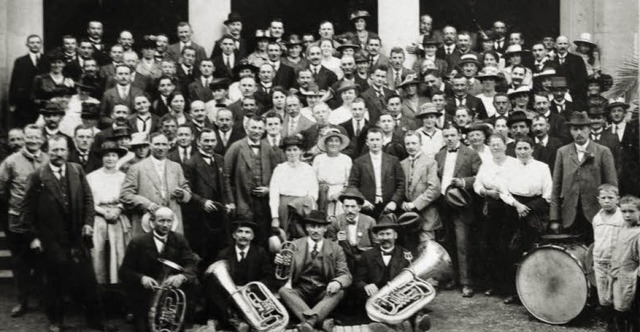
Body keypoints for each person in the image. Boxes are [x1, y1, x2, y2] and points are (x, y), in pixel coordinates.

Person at [22, 135, 115, 332]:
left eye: (62, 150)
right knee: (55, 281)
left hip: (77, 236)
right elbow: (27, 211)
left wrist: (88, 223)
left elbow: (89, 200)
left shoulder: (76, 170)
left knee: (89, 281)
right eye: (54, 150)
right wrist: (34, 237)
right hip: (51, 238)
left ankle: (96, 322)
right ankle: (56, 321)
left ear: (67, 151)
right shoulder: (38, 176)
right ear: (48, 151)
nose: (59, 154)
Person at [119, 207, 198, 332]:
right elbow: (124, 271)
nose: (165, 225)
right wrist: (141, 278)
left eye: (169, 221)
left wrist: (181, 277)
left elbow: (191, 265)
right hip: (145, 296)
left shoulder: (179, 239)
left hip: (171, 295)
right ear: (152, 221)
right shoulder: (138, 242)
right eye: (161, 221)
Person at [276, 210, 352, 332]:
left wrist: (337, 282)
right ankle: (319, 322)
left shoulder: (336, 248)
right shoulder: (294, 245)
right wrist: (281, 264)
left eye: (319, 226)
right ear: (307, 228)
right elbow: (282, 276)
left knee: (340, 292)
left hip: (324, 291)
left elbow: (346, 275)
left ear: (325, 229)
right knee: (283, 291)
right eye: (312, 226)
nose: (315, 230)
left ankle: (309, 323)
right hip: (300, 291)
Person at [0, 125, 48, 318]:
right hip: (18, 221)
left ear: (43, 140)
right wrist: (15, 206)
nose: (33, 141)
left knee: (43, 260)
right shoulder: (11, 161)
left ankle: (44, 299)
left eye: (37, 137)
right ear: (24, 139)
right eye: (29, 137)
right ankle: (22, 301)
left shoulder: (48, 159)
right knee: (21, 262)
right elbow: (1, 188)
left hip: (44, 220)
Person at [551, 112, 618, 243]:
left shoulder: (602, 151)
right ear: (570, 131)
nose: (579, 133)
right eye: (575, 129)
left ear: (589, 129)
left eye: (582, 128)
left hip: (596, 212)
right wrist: (554, 218)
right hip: (569, 214)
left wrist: (610, 212)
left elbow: (612, 185)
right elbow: (556, 187)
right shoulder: (562, 152)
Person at [355, 218, 431, 332]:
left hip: (399, 297)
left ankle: (417, 321)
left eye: (388, 234)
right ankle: (397, 326)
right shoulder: (367, 255)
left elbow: (415, 278)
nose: (385, 237)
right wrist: (366, 285)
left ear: (395, 235)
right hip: (377, 298)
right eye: (381, 234)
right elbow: (357, 279)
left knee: (412, 298)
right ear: (376, 237)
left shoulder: (406, 254)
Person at [502, 136, 552, 303]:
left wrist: (528, 208)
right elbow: (503, 190)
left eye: (525, 148)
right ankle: (515, 292)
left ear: (532, 149)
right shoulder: (508, 167)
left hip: (535, 210)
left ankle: (535, 293)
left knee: (532, 251)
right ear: (514, 150)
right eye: (519, 149)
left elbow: (548, 194)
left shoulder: (542, 167)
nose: (522, 152)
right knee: (512, 251)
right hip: (513, 209)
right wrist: (517, 205)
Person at [435, 125, 481, 297]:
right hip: (443, 204)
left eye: (452, 135)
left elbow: (480, 177)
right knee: (448, 242)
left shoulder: (471, 154)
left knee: (463, 243)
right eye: (446, 136)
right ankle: (453, 278)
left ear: (459, 135)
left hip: (461, 204)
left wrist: (463, 182)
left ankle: (466, 282)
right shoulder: (439, 155)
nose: (449, 138)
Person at [203, 220, 274, 331]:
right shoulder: (224, 253)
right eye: (240, 232)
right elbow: (215, 280)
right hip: (229, 297)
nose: (243, 235)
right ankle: (234, 320)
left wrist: (249, 289)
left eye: (247, 232)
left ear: (252, 236)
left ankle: (220, 321)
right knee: (212, 288)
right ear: (234, 235)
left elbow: (269, 277)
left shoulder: (260, 252)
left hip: (250, 296)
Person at [120, 132, 192, 237]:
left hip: (172, 223)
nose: (161, 147)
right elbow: (125, 194)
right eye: (157, 144)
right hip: (146, 223)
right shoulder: (137, 168)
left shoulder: (176, 167)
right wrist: (147, 204)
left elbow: (187, 192)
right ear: (150, 145)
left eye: (164, 144)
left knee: (172, 252)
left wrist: (183, 194)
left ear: (169, 146)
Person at [224, 116, 281, 242]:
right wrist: (231, 201)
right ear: (246, 128)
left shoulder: (268, 148)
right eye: (253, 127)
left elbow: (277, 175)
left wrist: (268, 189)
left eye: (260, 128)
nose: (257, 131)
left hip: (263, 203)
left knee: (262, 236)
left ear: (264, 129)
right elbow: (226, 177)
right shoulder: (236, 147)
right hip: (243, 200)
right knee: (243, 235)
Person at [183, 128, 231, 266]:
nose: (209, 144)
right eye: (206, 141)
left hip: (220, 213)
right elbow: (187, 190)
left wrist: (229, 202)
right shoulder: (190, 163)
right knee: (204, 252)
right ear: (198, 142)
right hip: (201, 216)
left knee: (221, 248)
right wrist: (202, 202)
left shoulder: (220, 159)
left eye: (212, 140)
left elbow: (225, 183)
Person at [87, 141, 130, 286]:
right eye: (107, 156)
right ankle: (100, 286)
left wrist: (119, 208)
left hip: (118, 217)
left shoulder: (124, 177)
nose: (110, 159)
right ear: (102, 158)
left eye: (113, 155)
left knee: (119, 252)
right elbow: (88, 200)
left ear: (118, 158)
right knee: (98, 253)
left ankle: (118, 286)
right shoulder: (92, 177)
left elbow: (128, 196)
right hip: (99, 217)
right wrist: (103, 212)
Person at [348, 127, 405, 218]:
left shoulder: (393, 160)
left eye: (378, 140)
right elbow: (352, 185)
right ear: (367, 142)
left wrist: (394, 201)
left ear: (382, 141)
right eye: (372, 140)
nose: (375, 143)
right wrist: (362, 201)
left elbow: (401, 184)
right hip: (367, 206)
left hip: (388, 205)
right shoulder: (359, 162)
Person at [270, 136, 319, 237]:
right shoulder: (280, 169)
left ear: (300, 151)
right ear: (285, 152)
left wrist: (305, 206)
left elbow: (313, 192)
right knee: (286, 235)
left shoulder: (308, 169)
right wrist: (275, 217)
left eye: (295, 149)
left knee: (304, 234)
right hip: (285, 207)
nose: (292, 153)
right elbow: (273, 194)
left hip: (304, 207)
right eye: (289, 150)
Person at [401, 131, 441, 245]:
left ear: (420, 144)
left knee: (427, 250)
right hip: (408, 217)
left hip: (426, 217)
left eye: (414, 143)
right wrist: (402, 203)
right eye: (407, 144)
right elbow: (400, 187)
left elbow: (434, 189)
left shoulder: (430, 163)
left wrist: (415, 204)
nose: (411, 146)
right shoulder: (402, 164)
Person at [326, 187, 377, 271]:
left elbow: (376, 245)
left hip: (365, 259)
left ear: (359, 208)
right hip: (344, 259)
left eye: (353, 206)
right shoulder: (335, 221)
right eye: (346, 206)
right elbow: (329, 246)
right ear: (342, 207)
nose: (349, 210)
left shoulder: (369, 221)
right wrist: (338, 241)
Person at [591, 184, 623, 315]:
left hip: (618, 263)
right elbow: (597, 240)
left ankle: (620, 323)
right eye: (603, 198)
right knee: (603, 295)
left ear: (618, 199)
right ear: (598, 200)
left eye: (610, 197)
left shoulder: (622, 218)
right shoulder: (596, 218)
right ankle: (608, 321)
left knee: (619, 295)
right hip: (600, 262)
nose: (607, 201)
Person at [609, 195, 640, 330]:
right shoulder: (624, 229)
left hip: (631, 278)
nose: (627, 215)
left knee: (631, 311)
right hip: (618, 275)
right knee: (619, 308)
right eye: (624, 211)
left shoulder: (638, 233)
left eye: (631, 211)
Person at [9, 34, 47, 127]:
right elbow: (14, 82)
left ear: (41, 44)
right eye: (32, 42)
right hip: (25, 101)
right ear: (27, 44)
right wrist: (12, 102)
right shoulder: (20, 61)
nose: (35, 45)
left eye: (38, 42)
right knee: (25, 125)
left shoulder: (47, 60)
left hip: (42, 100)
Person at [313, 129, 352, 216]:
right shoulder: (319, 159)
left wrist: (339, 194)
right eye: (330, 141)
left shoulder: (346, 159)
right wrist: (322, 195)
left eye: (336, 141)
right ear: (326, 143)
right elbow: (313, 180)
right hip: (322, 194)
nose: (333, 144)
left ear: (340, 144)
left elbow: (349, 182)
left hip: (340, 194)